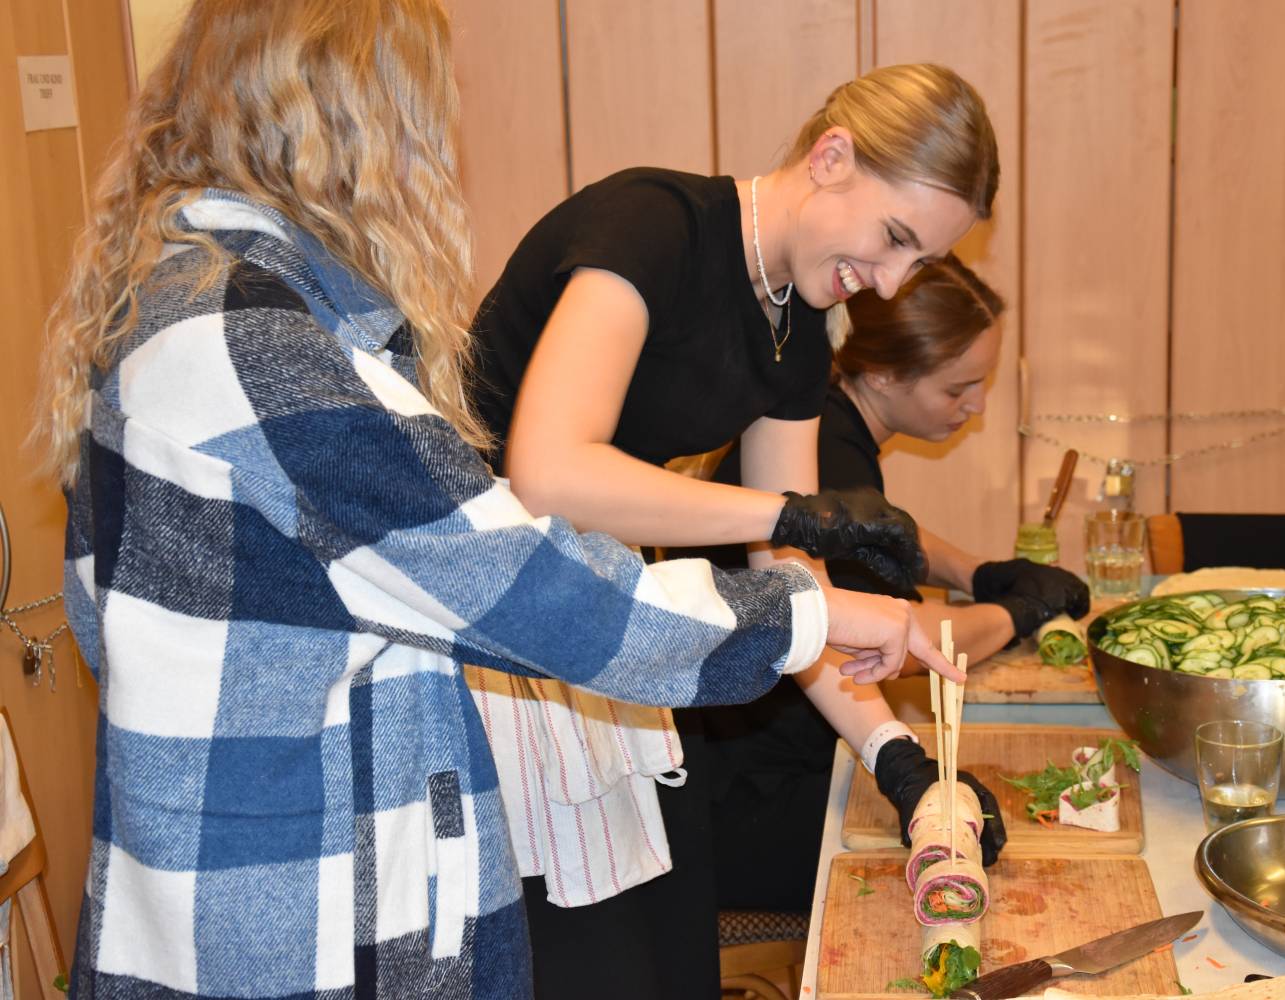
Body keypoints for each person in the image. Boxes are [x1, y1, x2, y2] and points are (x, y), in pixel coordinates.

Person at [34, 4, 959, 998]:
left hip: (289, 861)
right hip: (275, 918)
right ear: (336, 129)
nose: (432, 160)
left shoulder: (203, 315)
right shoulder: (257, 349)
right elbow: (536, 569)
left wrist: (893, 748)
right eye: (422, 123)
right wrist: (800, 579)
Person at [466, 64, 1007, 999]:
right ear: (831, 157)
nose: (886, 284)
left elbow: (791, 591)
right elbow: (547, 473)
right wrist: (789, 515)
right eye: (893, 239)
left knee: (674, 951)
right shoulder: (651, 227)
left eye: (914, 264)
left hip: (605, 616)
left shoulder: (799, 329)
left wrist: (905, 769)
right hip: (482, 629)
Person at [688, 255, 1092, 913]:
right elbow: (897, 638)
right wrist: (1016, 612)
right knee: (1007, 875)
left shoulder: (833, 418)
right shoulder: (827, 446)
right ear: (879, 372)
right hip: (750, 796)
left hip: (774, 754)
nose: (978, 404)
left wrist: (979, 573)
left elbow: (884, 536)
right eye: (958, 387)